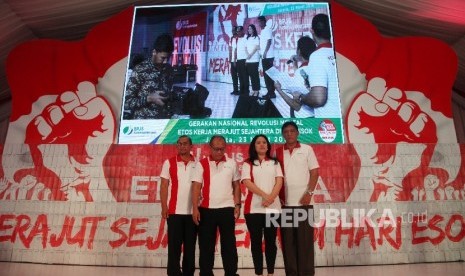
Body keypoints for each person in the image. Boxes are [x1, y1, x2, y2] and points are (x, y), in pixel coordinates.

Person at [191, 135, 241, 276]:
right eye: (216, 149)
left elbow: (236, 185)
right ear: (210, 147)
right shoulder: (202, 164)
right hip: (206, 210)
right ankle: (206, 273)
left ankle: (231, 273)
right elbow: (196, 187)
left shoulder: (231, 163)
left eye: (222, 149)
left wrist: (238, 205)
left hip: (227, 209)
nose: (219, 152)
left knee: (229, 245)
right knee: (206, 245)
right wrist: (195, 208)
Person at [275, 121, 320, 276]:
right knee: (288, 243)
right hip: (285, 204)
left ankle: (307, 273)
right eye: (286, 131)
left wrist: (309, 193)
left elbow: (315, 172)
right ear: (283, 134)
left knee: (305, 242)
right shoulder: (278, 152)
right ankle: (292, 273)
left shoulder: (307, 149)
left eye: (292, 131)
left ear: (297, 133)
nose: (289, 134)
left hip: (304, 204)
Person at [241, 134, 283, 276]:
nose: (262, 145)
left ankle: (270, 272)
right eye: (258, 142)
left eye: (264, 142)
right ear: (254, 146)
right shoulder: (247, 163)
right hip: (253, 210)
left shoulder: (275, 163)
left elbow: (279, 182)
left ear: (268, 145)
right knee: (256, 243)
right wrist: (266, 196)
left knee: (271, 242)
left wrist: (271, 199)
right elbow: (247, 182)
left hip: (273, 209)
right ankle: (258, 273)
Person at [160, 135, 197, 276]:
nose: (182, 146)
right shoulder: (169, 163)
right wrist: (164, 207)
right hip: (174, 212)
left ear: (191, 146)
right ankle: (174, 272)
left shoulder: (198, 164)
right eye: (179, 144)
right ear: (177, 146)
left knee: (190, 246)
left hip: (192, 213)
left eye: (185, 144)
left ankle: (188, 273)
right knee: (174, 247)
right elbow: (164, 186)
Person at [293, 13, 340, 118]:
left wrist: (301, 97)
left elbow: (318, 98)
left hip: (330, 122)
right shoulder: (340, 53)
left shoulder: (317, 56)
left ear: (312, 31)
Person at [124, 33, 175, 119]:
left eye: (168, 58)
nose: (166, 61)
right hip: (143, 126)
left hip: (163, 123)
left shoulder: (169, 70)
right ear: (154, 52)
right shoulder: (140, 70)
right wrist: (149, 98)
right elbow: (126, 103)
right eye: (163, 58)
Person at [274, 36, 317, 118]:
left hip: (305, 119)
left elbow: (296, 106)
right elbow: (302, 75)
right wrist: (295, 63)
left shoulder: (299, 74)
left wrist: (279, 90)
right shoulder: (316, 67)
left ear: (299, 51)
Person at [257, 16, 276, 99]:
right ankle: (270, 92)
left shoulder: (267, 29)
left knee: (268, 75)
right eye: (258, 22)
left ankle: (271, 93)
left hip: (268, 56)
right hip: (265, 56)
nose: (259, 23)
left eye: (260, 21)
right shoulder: (263, 31)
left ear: (264, 22)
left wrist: (265, 52)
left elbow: (269, 41)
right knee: (266, 75)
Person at [245, 24, 261, 97]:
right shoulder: (247, 38)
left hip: (254, 59)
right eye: (248, 29)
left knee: (255, 75)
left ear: (254, 29)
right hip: (248, 60)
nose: (249, 30)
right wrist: (247, 55)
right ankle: (253, 89)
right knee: (251, 75)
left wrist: (250, 55)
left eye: (250, 29)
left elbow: (256, 47)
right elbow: (245, 47)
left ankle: (257, 90)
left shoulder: (256, 38)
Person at [235, 26, 249, 96]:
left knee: (245, 76)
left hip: (244, 59)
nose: (238, 33)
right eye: (237, 31)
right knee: (240, 76)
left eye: (239, 31)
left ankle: (246, 90)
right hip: (238, 60)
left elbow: (248, 50)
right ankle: (242, 90)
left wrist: (247, 60)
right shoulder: (238, 39)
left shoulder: (246, 38)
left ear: (242, 31)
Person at [229, 26, 240, 95]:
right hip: (232, 60)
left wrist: (235, 59)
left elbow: (237, 49)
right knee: (234, 76)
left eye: (234, 30)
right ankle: (235, 90)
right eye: (232, 30)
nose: (232, 31)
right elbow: (230, 49)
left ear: (236, 31)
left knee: (240, 76)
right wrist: (230, 58)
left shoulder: (238, 38)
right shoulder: (231, 38)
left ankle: (241, 90)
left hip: (238, 60)